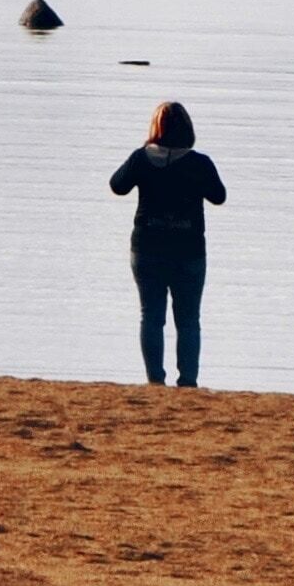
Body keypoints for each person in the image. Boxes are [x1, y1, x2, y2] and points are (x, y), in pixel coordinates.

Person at [108, 99, 225, 387]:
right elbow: (219, 196)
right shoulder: (199, 163)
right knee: (188, 321)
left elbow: (117, 185)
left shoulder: (141, 159)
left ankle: (155, 381)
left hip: (147, 247)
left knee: (151, 316)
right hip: (188, 251)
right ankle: (187, 381)